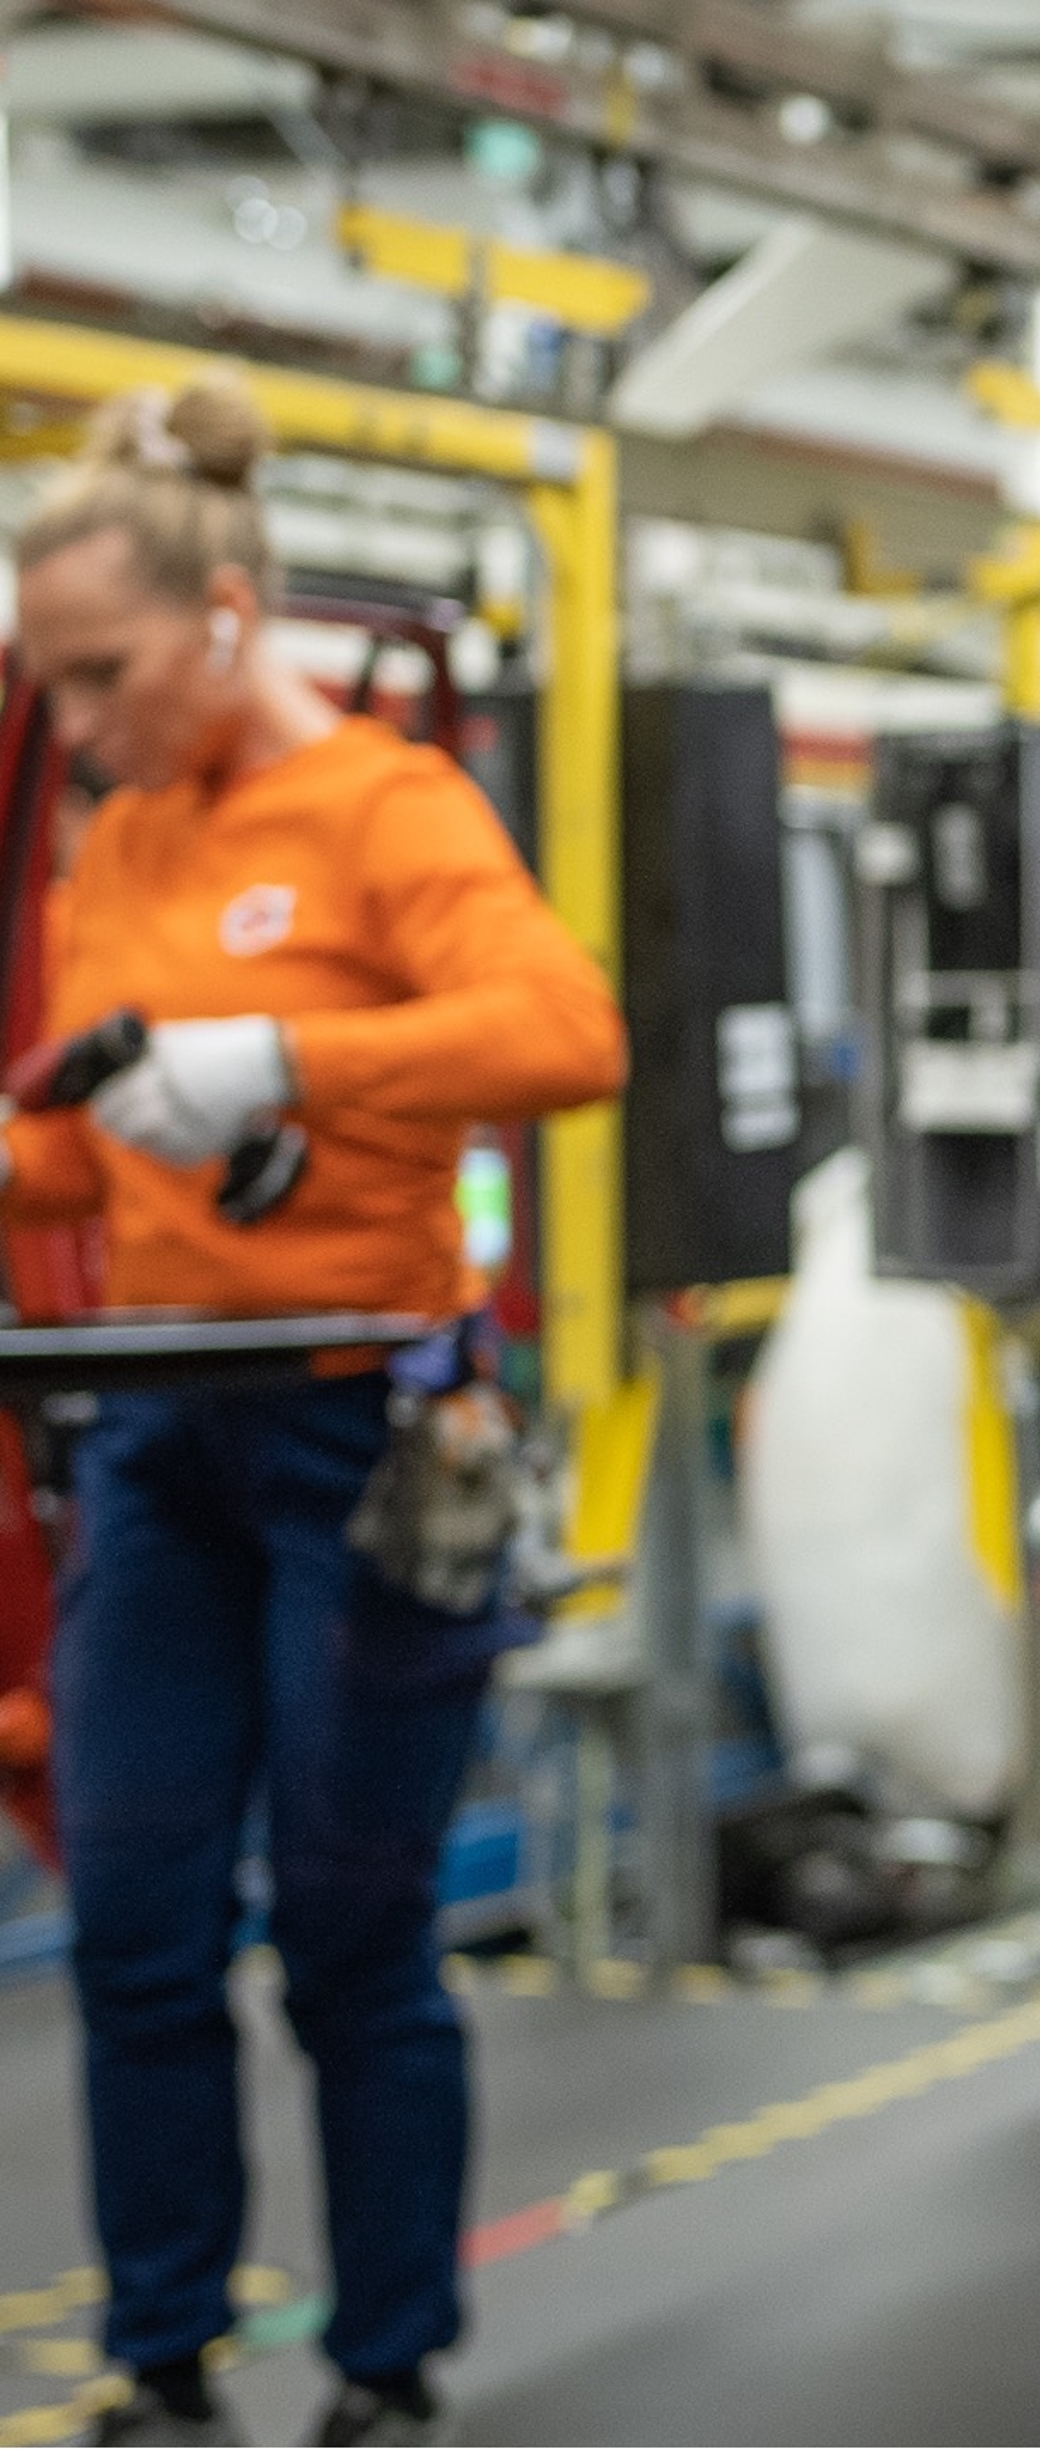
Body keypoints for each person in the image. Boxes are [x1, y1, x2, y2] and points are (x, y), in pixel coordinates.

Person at [9, 380, 627, 2447]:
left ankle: (381, 2374)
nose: (77, 720)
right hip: (161, 1447)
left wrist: (286, 1058)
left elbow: (568, 1032)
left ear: (221, 618)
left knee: (354, 1926)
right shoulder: (118, 834)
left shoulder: (390, 809)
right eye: (51, 683)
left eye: (99, 674)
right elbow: (97, 1162)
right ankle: (166, 2357)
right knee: (137, 1910)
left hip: (360, 1436)